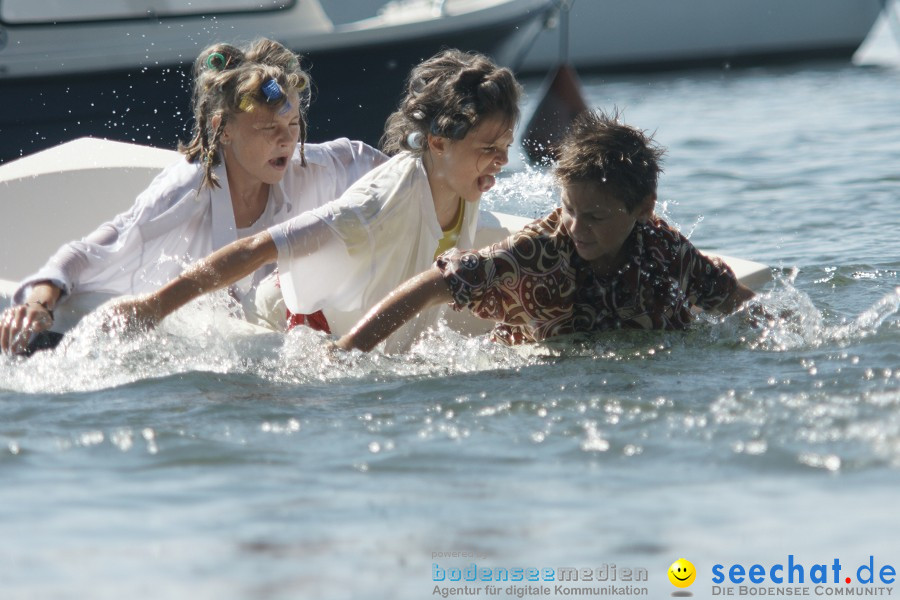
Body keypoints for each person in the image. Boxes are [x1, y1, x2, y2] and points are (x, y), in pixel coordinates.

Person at [104, 49, 523, 352]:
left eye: (506, 145)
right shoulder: (380, 203)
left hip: (353, 336)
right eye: (490, 148)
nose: (503, 160)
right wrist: (154, 306)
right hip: (285, 328)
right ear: (437, 142)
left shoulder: (463, 184)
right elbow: (257, 247)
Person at [0, 38, 386, 355]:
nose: (286, 139)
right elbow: (91, 251)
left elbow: (385, 172)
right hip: (178, 343)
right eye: (268, 127)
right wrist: (37, 302)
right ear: (224, 129)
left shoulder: (310, 166)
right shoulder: (185, 189)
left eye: (293, 123)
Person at [335, 109, 756, 352]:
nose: (576, 227)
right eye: (569, 209)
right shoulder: (537, 253)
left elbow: (738, 304)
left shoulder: (666, 251)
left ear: (643, 209)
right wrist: (348, 351)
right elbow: (434, 284)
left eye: (595, 217)